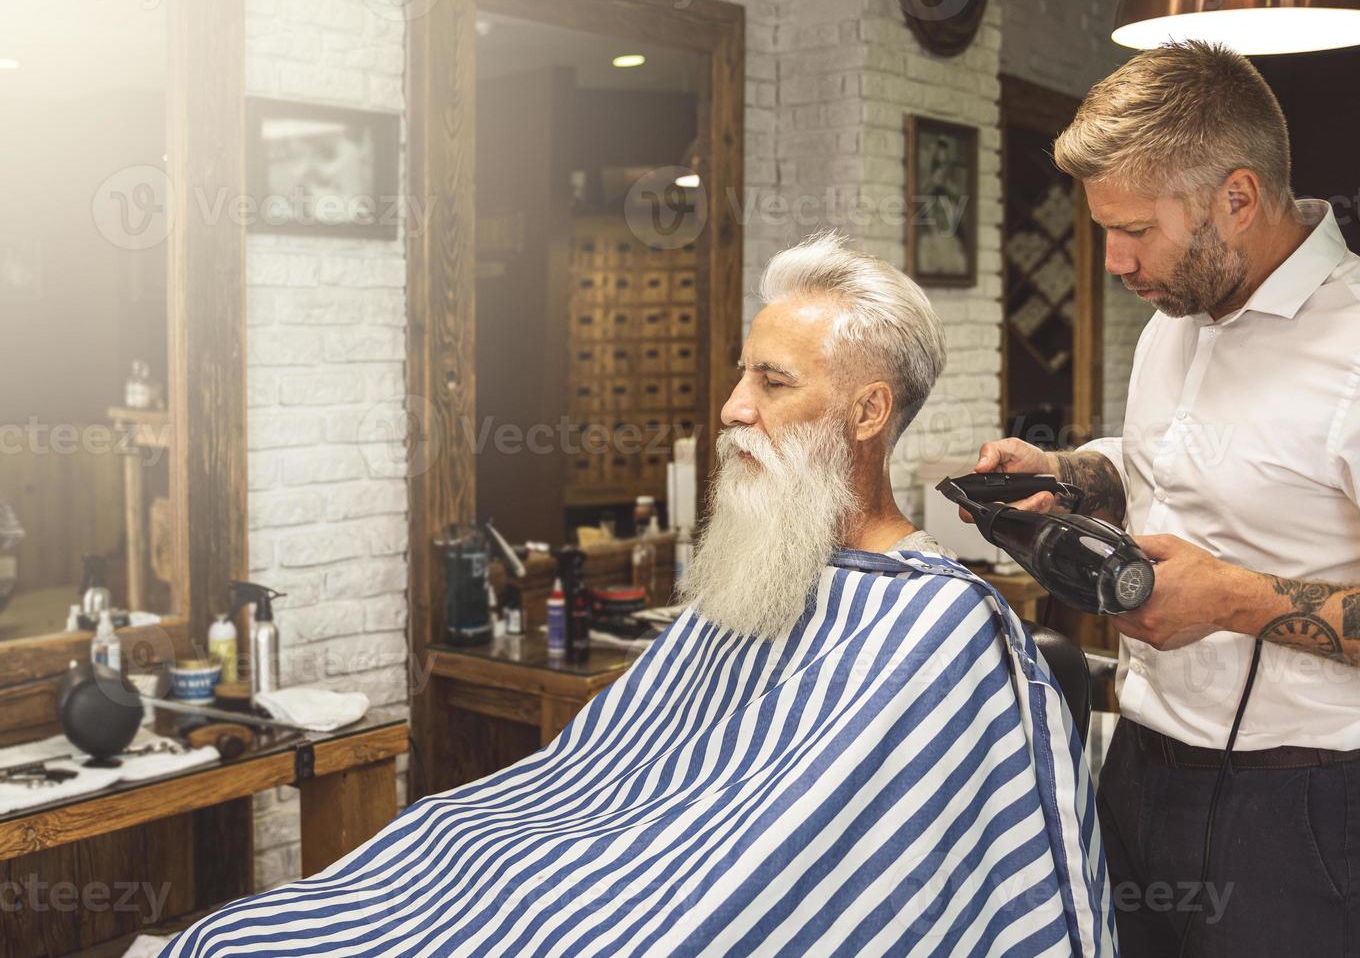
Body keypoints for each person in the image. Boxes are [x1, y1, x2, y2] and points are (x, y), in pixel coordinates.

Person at [161, 232, 1115, 957]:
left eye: (771, 381)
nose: (735, 405)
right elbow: (609, 783)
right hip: (576, 879)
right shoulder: (754, 571)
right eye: (742, 372)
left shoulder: (943, 625)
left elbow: (804, 875)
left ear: (869, 413)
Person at [973, 41, 1360, 956]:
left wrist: (1238, 601)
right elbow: (1172, 465)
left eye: (1136, 229)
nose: (1115, 260)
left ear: (1237, 199)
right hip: (1142, 765)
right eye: (1104, 229)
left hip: (1306, 807)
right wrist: (1070, 473)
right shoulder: (1181, 313)